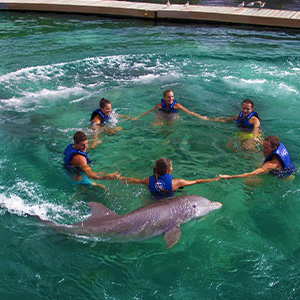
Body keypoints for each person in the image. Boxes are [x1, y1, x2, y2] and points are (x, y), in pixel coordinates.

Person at [119, 157, 220, 198]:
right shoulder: (177, 183)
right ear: (168, 170)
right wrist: (215, 179)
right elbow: (197, 181)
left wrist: (120, 178)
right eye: (171, 166)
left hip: (153, 203)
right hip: (169, 204)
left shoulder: (148, 181)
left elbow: (134, 181)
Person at [219, 135, 295, 181]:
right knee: (256, 163)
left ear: (274, 148)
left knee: (248, 181)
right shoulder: (277, 146)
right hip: (288, 170)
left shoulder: (272, 164)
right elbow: (267, 146)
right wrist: (258, 141)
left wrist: (230, 177)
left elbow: (252, 174)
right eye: (263, 146)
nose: (263, 149)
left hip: (283, 178)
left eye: (266, 148)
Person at [133, 89, 208, 126]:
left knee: (170, 126)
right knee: (156, 125)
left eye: (172, 96)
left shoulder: (176, 105)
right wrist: (137, 117)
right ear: (164, 98)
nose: (171, 99)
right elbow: (148, 111)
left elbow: (188, 112)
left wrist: (201, 117)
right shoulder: (160, 105)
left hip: (172, 114)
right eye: (169, 97)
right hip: (162, 113)